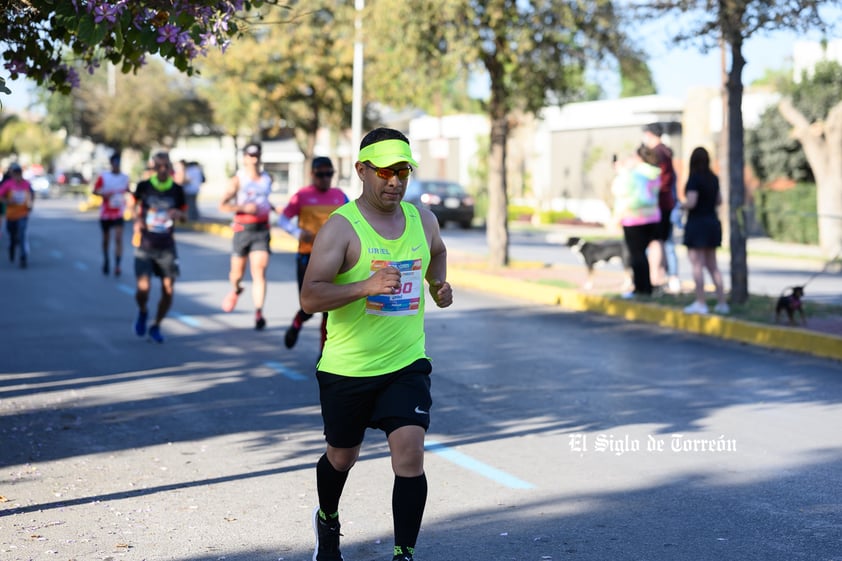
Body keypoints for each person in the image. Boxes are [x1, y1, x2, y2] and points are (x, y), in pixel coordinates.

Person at [300, 127, 452, 561]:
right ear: (362, 170)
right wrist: (365, 285)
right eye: (385, 171)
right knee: (342, 456)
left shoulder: (422, 218)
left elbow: (436, 251)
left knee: (410, 455)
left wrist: (438, 284)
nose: (395, 181)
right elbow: (310, 297)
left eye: (402, 171)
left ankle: (403, 553)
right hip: (348, 367)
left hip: (406, 363)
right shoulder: (341, 228)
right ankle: (328, 519)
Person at [278, 156, 348, 350]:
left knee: (328, 309)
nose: (325, 178)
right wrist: (298, 233)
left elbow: (354, 221)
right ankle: (297, 324)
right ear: (312, 174)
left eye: (329, 174)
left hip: (334, 259)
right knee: (309, 306)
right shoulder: (301, 195)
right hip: (307, 257)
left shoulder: (340, 196)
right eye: (320, 174)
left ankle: (323, 353)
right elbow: (282, 220)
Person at [219, 142, 278, 330]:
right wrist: (243, 207)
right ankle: (236, 289)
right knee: (236, 275)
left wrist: (275, 208)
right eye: (251, 155)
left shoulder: (268, 178)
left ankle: (259, 312)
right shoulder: (237, 180)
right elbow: (222, 205)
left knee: (259, 272)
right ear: (244, 158)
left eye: (257, 155)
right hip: (242, 229)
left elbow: (264, 201)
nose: (254, 159)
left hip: (261, 230)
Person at [130, 151, 186, 343]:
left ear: (170, 168)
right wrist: (137, 219)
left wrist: (178, 214)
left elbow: (185, 215)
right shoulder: (144, 186)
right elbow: (132, 205)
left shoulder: (177, 190)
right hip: (145, 244)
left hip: (167, 246)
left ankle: (156, 325)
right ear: (153, 167)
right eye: (158, 166)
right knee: (143, 289)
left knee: (168, 289)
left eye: (165, 166)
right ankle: (143, 311)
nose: (162, 170)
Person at [681, 146, 729, 315]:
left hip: (697, 224)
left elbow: (691, 202)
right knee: (713, 265)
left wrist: (680, 205)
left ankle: (701, 302)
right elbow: (719, 200)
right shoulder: (713, 178)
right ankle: (722, 302)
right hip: (712, 223)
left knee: (697, 265)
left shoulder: (694, 179)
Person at [611, 145, 662, 298]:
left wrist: (622, 212)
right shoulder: (654, 173)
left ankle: (642, 288)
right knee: (642, 254)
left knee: (636, 255)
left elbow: (626, 194)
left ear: (639, 158)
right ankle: (645, 287)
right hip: (652, 217)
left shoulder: (635, 174)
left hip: (634, 218)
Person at [642, 123, 680, 292]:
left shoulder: (658, 154)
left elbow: (661, 181)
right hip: (667, 202)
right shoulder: (666, 151)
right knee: (666, 242)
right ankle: (669, 278)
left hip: (660, 204)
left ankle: (660, 278)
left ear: (650, 135)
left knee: (660, 243)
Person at [93, 153, 131, 276]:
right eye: (114, 163)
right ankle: (106, 260)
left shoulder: (125, 177)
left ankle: (118, 265)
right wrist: (104, 195)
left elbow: (128, 190)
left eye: (118, 163)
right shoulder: (104, 177)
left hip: (119, 213)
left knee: (118, 238)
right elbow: (95, 191)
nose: (116, 166)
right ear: (111, 164)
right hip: (105, 213)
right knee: (106, 239)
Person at [0, 162, 34, 268]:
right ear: (12, 174)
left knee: (22, 235)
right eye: (15, 173)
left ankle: (23, 257)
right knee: (12, 235)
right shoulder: (8, 184)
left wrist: (30, 205)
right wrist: (7, 201)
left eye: (19, 173)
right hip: (11, 215)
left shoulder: (26, 184)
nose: (17, 175)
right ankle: (12, 247)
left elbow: (31, 196)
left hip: (22, 214)